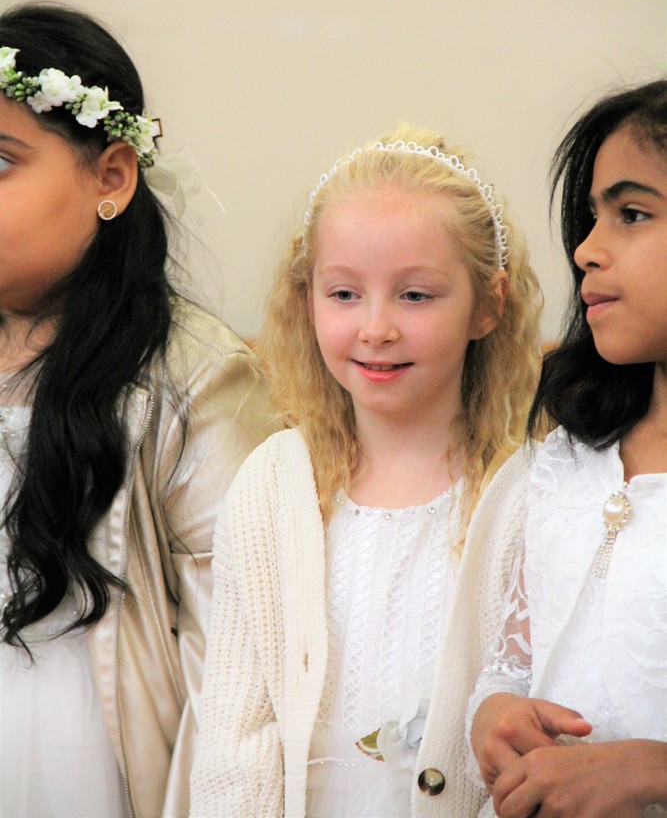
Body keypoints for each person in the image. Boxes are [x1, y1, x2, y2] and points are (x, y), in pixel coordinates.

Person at [190, 127, 544, 817]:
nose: (375, 328)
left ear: (488, 304)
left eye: (415, 296)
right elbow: (237, 736)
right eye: (345, 294)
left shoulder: (528, 493)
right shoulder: (273, 484)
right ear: (307, 299)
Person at [0, 2, 278, 818]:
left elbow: (238, 662)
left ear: (112, 178)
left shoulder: (196, 377)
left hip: (99, 763)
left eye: (1, 160)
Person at [469, 81, 667, 818]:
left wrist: (653, 771)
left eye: (632, 214)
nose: (585, 249)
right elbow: (512, 665)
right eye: (591, 218)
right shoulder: (563, 460)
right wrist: (495, 714)